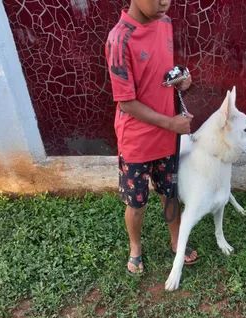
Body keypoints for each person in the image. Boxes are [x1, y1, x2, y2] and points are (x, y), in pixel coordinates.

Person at [105, 0, 198, 275]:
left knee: (169, 193)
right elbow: (127, 103)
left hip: (166, 137)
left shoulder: (165, 23)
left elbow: (159, 75)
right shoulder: (119, 39)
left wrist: (180, 80)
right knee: (136, 201)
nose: (164, 2)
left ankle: (175, 240)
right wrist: (171, 122)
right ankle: (135, 248)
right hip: (136, 140)